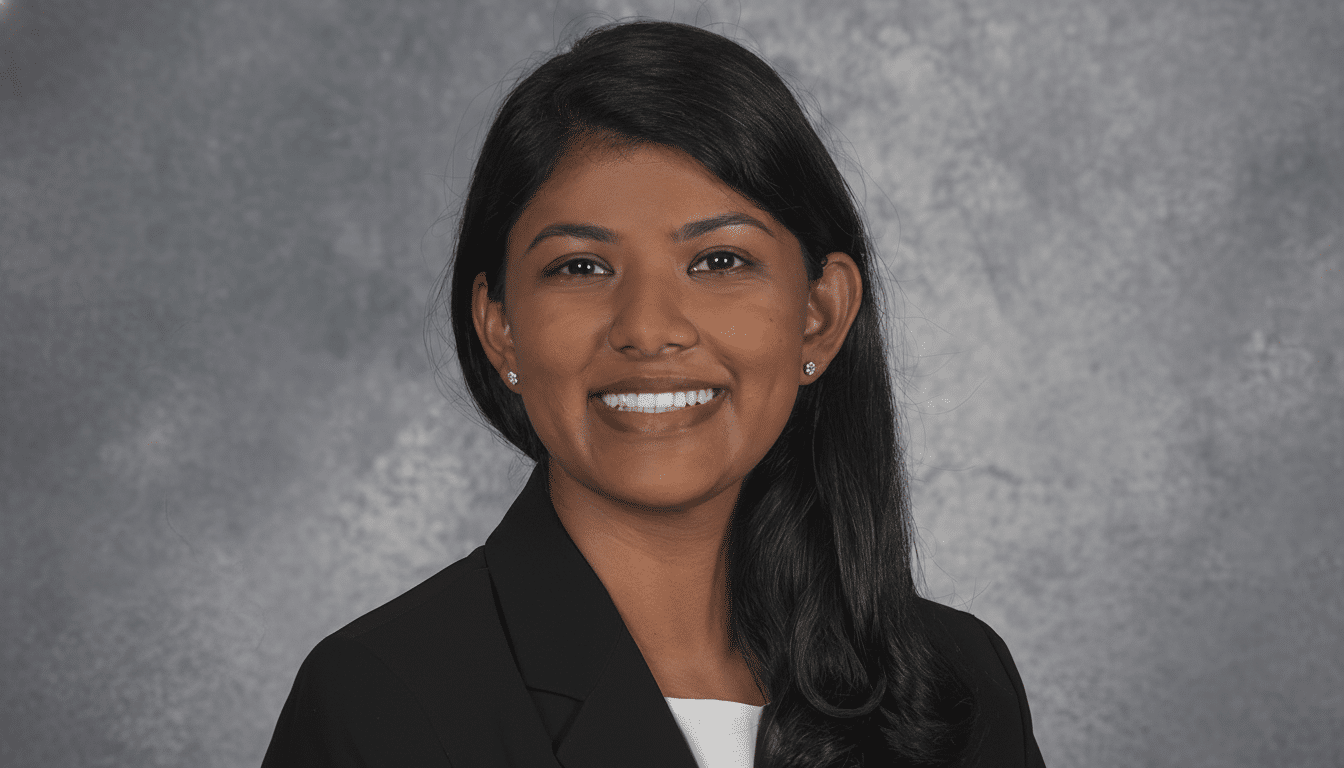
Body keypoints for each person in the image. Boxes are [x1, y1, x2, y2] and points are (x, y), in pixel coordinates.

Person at [261, 20, 1045, 768]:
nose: (648, 329)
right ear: (500, 327)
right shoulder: (382, 699)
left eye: (718, 262)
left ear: (819, 316)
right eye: (580, 267)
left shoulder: (963, 682)